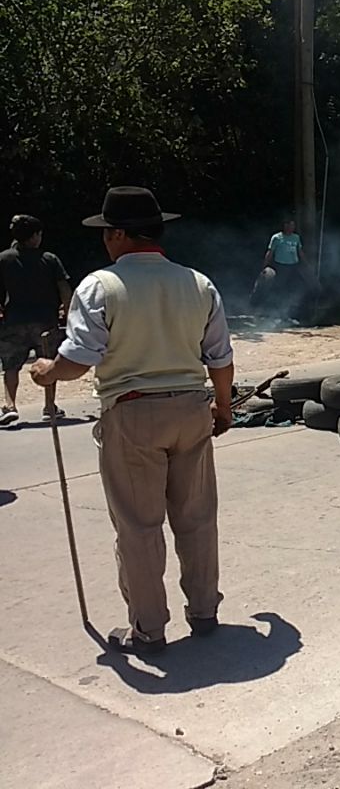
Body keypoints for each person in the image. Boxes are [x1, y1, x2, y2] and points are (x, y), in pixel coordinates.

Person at [31, 187, 234, 654]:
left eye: (108, 233)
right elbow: (220, 357)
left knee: (140, 527)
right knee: (197, 517)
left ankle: (148, 628)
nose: (106, 242)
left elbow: (79, 359)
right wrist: (222, 408)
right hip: (190, 407)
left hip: (134, 411)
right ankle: (204, 611)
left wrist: (47, 371)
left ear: (119, 235)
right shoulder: (198, 283)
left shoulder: (100, 287)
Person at [1, 214, 72, 425]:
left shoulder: (4, 259)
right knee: (48, 364)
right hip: (45, 321)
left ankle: (10, 405)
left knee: (11, 366)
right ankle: (50, 406)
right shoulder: (49, 259)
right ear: (34, 236)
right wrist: (68, 312)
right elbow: (64, 288)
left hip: (13, 320)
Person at [263, 218, 306, 313]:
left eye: (293, 225)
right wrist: (265, 265)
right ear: (285, 226)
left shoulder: (296, 237)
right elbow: (270, 252)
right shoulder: (277, 238)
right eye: (291, 225)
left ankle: (293, 309)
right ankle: (277, 309)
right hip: (281, 266)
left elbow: (300, 251)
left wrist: (305, 263)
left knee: (294, 287)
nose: (292, 227)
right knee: (280, 288)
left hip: (294, 265)